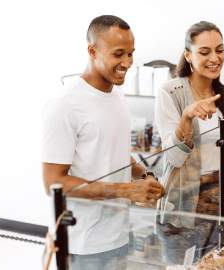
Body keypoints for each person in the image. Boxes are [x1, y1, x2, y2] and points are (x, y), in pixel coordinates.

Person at [42, 15, 164, 270]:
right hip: (84, 244)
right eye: (119, 54)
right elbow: (54, 182)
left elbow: (115, 153)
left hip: (120, 234)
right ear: (92, 50)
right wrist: (124, 190)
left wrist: (146, 174)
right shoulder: (65, 105)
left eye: (131, 54)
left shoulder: (117, 96)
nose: (127, 63)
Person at [154, 21, 224, 264]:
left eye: (220, 50)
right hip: (183, 207)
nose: (215, 58)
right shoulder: (171, 93)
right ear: (188, 55)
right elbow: (174, 158)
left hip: (223, 205)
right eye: (204, 52)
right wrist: (187, 116)